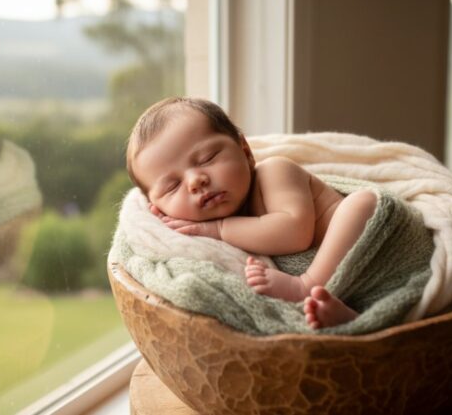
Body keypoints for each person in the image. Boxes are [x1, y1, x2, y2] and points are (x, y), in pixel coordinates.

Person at [126, 97, 377, 329]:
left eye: (207, 158)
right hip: (349, 287)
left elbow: (295, 232)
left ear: (245, 151)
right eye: (173, 186)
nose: (195, 181)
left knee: (361, 204)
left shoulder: (273, 173)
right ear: (158, 209)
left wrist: (219, 229)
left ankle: (306, 287)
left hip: (371, 251)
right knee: (332, 311)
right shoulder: (201, 241)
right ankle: (357, 320)